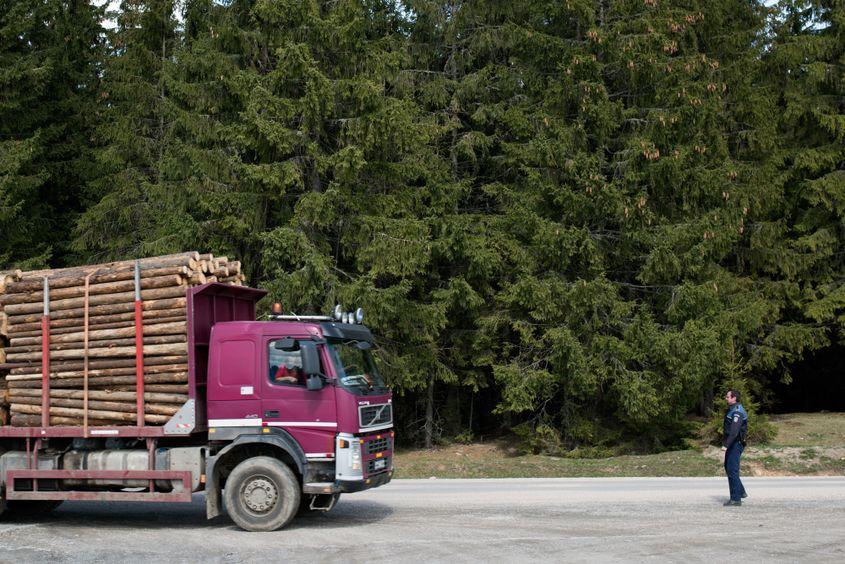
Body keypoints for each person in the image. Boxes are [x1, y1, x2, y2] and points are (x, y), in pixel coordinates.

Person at [723, 389, 748, 506]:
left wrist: (726, 445)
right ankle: (741, 491)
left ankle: (735, 499)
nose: (726, 398)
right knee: (728, 467)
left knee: (732, 470)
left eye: (728, 397)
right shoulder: (733, 409)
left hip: (735, 444)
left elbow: (734, 431)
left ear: (734, 398)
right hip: (733, 444)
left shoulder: (737, 412)